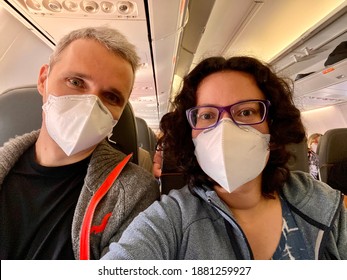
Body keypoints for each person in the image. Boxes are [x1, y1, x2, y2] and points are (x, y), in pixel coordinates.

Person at [102, 56, 347, 260]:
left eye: (246, 112)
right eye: (207, 115)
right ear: (191, 135)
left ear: (273, 126)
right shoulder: (170, 220)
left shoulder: (322, 203)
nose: (225, 129)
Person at [0, 26, 160, 260]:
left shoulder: (134, 192)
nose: (90, 105)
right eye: (76, 82)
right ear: (44, 80)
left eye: (111, 97)